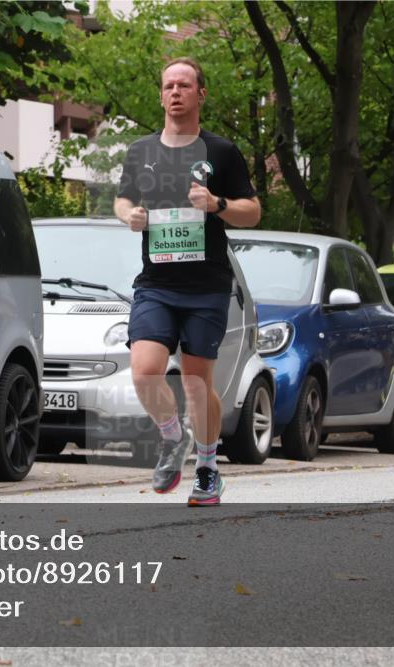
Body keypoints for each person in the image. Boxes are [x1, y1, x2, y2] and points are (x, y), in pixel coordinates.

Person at [114, 57, 261, 506]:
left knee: (197, 382)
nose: (175, 92)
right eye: (168, 86)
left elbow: (253, 212)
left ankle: (208, 468)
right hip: (156, 283)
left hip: (206, 286)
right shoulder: (141, 151)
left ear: (201, 93)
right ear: (161, 96)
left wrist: (217, 204)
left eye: (183, 85)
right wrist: (130, 216)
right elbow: (123, 199)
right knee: (144, 371)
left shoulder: (221, 152)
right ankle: (172, 436)